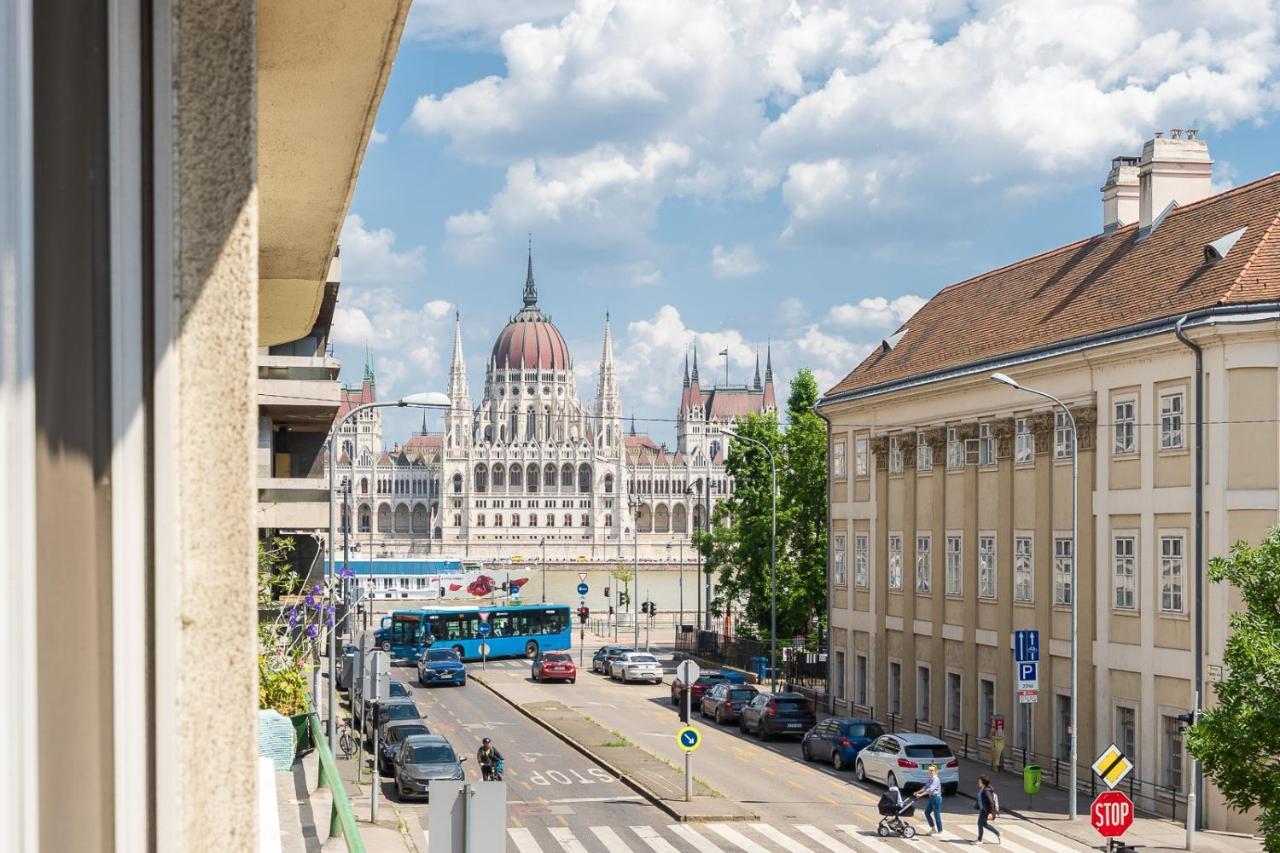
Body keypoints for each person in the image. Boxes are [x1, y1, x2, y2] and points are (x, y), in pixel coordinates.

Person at [913, 764, 944, 834]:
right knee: (927, 812)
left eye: (932, 771)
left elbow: (930, 790)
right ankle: (933, 829)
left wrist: (920, 795)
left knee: (936, 815)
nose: (930, 772)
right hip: (931, 798)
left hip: (936, 798)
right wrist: (917, 792)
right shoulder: (931, 778)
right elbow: (925, 787)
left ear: (935, 771)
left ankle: (940, 830)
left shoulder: (936, 779)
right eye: (929, 770)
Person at [977, 775, 1001, 844]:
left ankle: (979, 840)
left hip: (985, 810)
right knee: (984, 824)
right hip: (983, 809)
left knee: (980, 824)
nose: (978, 782)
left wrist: (990, 813)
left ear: (983, 782)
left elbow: (990, 802)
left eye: (979, 781)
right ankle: (997, 833)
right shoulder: (983, 789)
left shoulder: (986, 791)